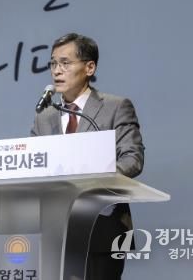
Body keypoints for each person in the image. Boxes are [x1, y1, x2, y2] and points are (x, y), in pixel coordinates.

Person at [30, 33, 145, 280]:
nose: (56, 71)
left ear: (89, 67)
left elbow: (132, 158)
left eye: (65, 63)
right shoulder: (44, 117)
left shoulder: (115, 106)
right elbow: (34, 166)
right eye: (53, 63)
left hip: (102, 228)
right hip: (56, 231)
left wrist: (94, 181)